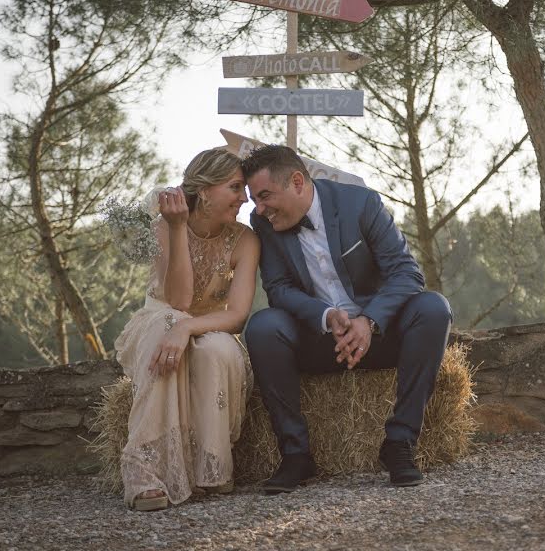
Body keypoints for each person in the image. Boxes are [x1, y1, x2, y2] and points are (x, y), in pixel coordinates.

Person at [242, 145, 452, 493]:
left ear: (297, 181)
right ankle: (296, 454)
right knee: (264, 326)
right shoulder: (262, 223)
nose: (259, 209)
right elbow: (278, 288)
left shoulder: (361, 203)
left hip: (379, 334)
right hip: (318, 338)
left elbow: (406, 274)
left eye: (264, 197)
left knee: (433, 308)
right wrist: (325, 315)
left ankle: (400, 443)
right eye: (254, 201)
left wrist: (368, 320)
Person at [115, 148, 260, 511]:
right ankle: (145, 472)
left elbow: (238, 315)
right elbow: (178, 300)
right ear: (205, 191)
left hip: (211, 326)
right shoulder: (163, 227)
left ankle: (210, 470)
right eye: (235, 187)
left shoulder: (246, 239)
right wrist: (179, 228)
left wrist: (188, 330)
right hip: (159, 321)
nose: (244, 198)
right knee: (170, 323)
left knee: (218, 350)